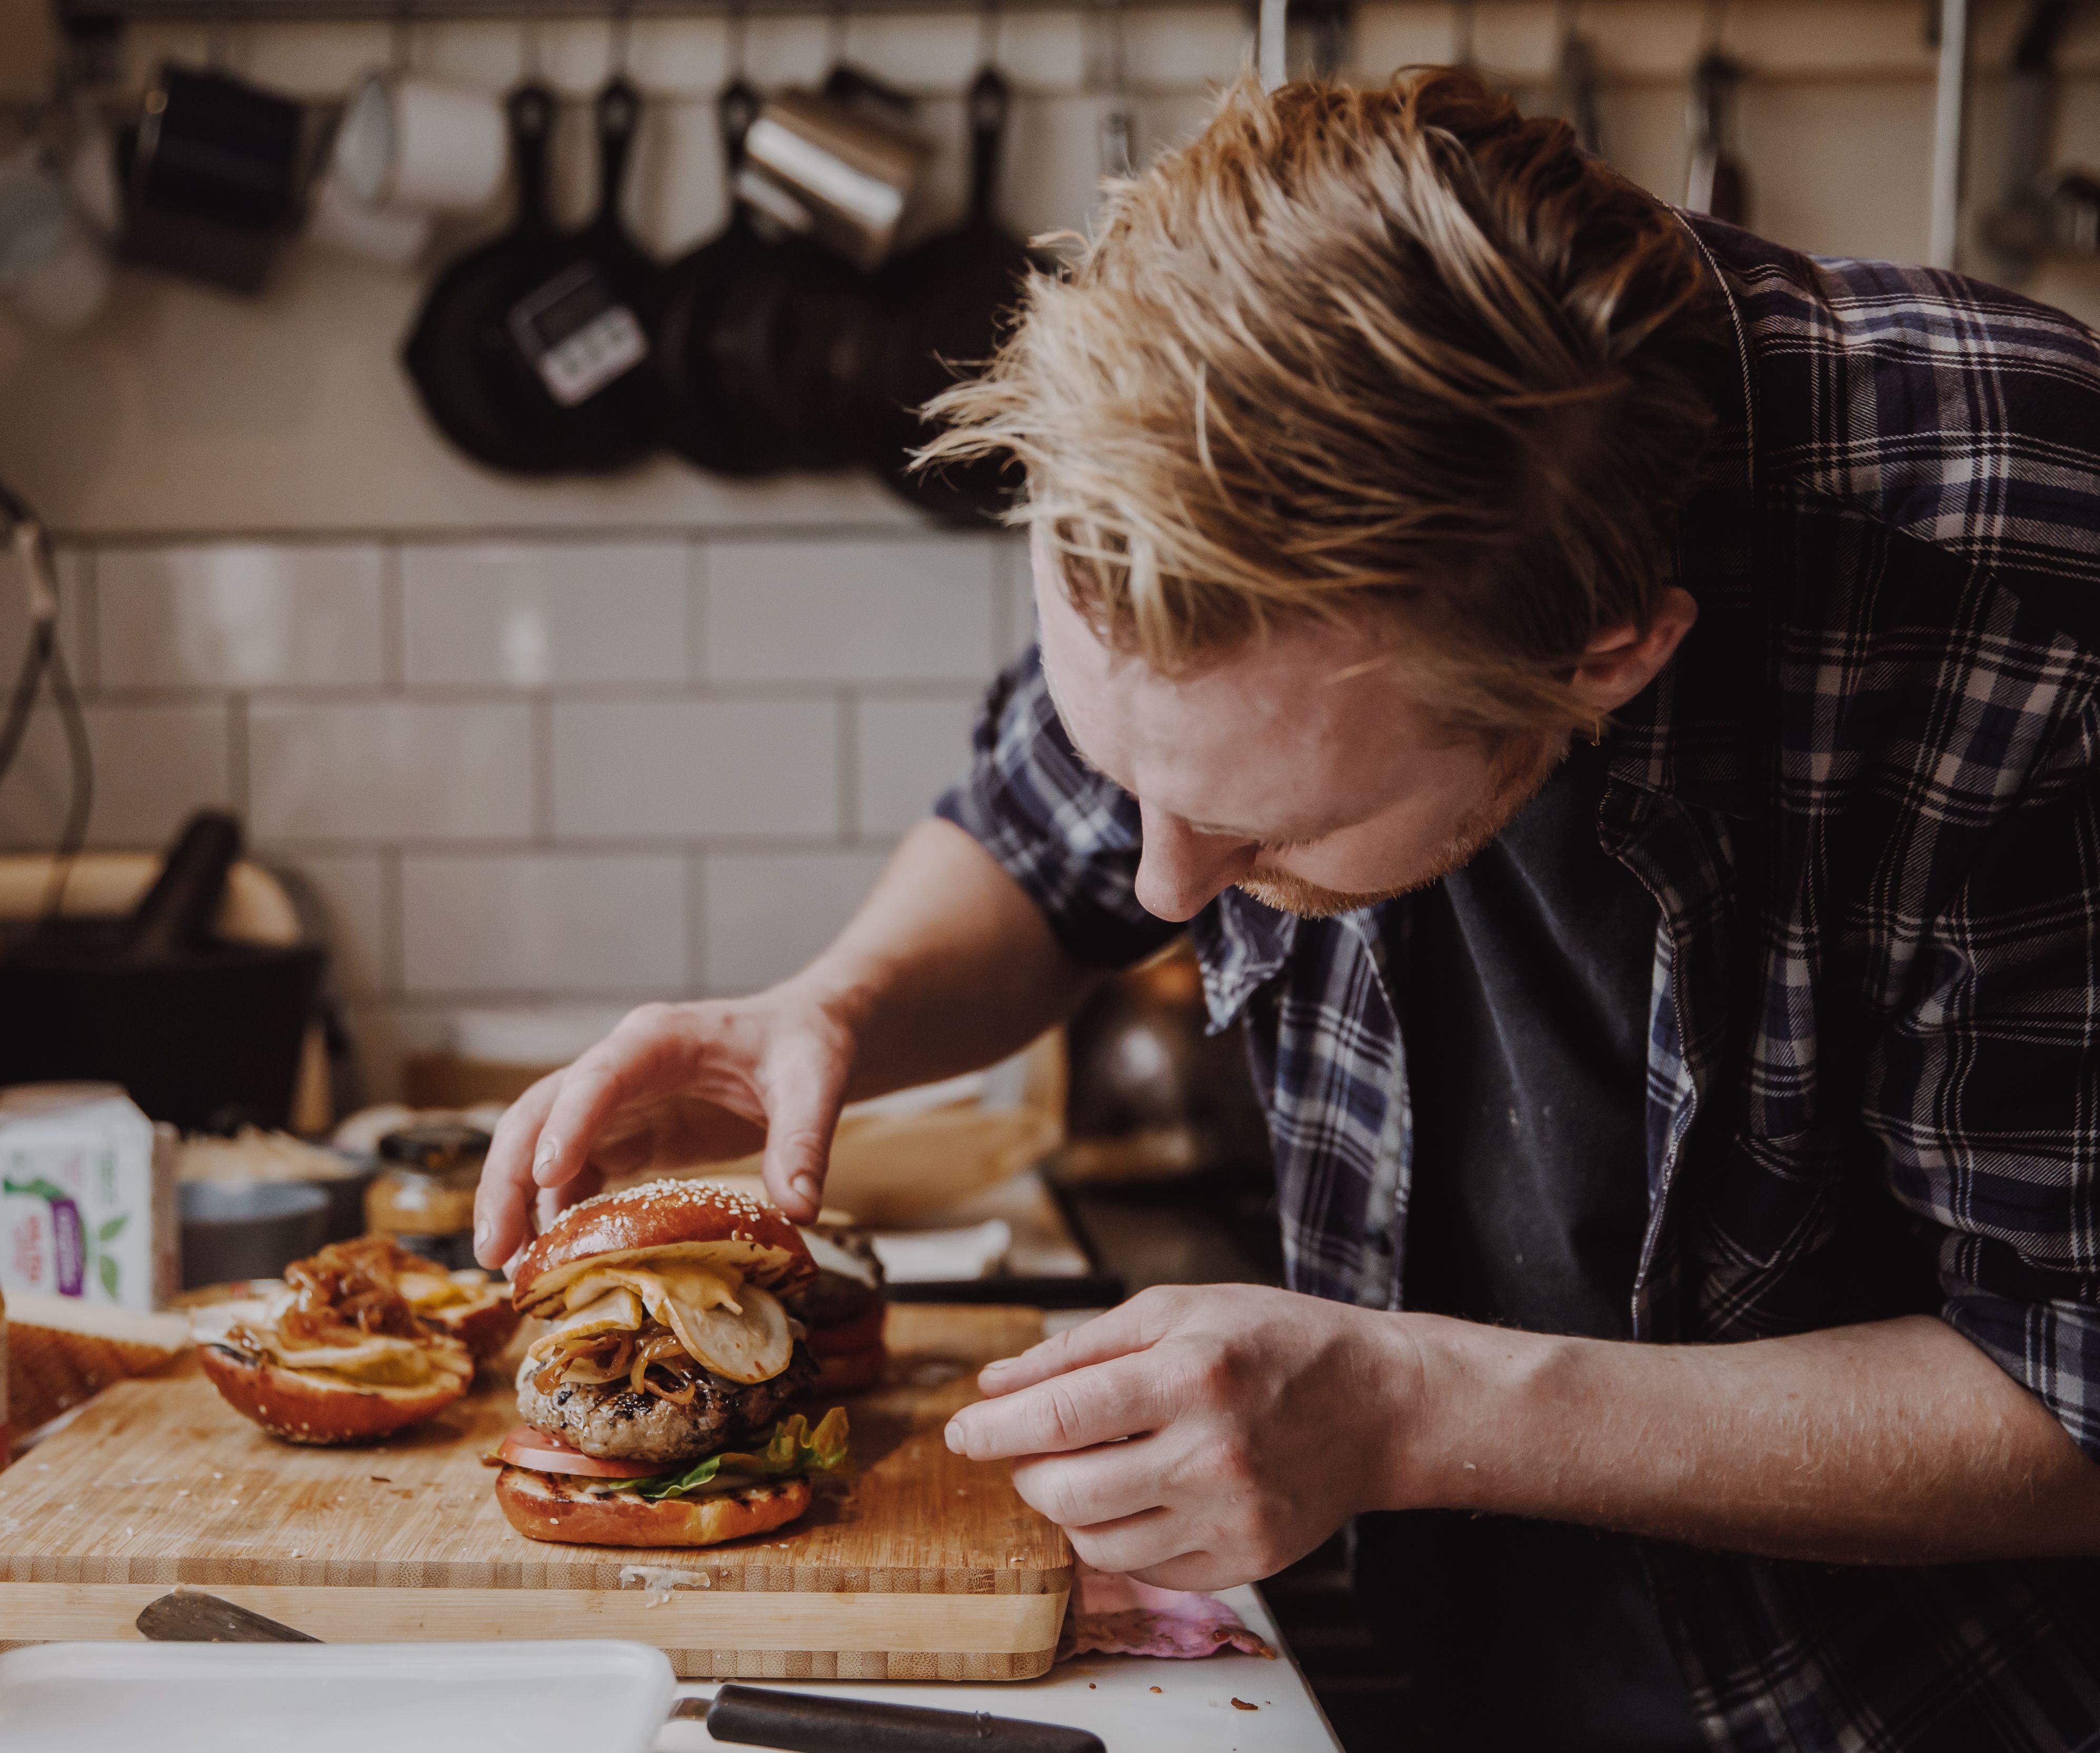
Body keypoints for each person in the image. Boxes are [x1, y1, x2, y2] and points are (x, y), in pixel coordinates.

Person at [474, 68, 2100, 1753]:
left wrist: (1416, 1406)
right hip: (1454, 1672)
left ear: (1606, 657)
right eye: (1137, 774)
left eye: (1261, 831)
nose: (1165, 888)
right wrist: (834, 1006)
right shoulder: (1208, 440)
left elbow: (2079, 1382)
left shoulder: (2028, 602)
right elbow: (1043, 844)